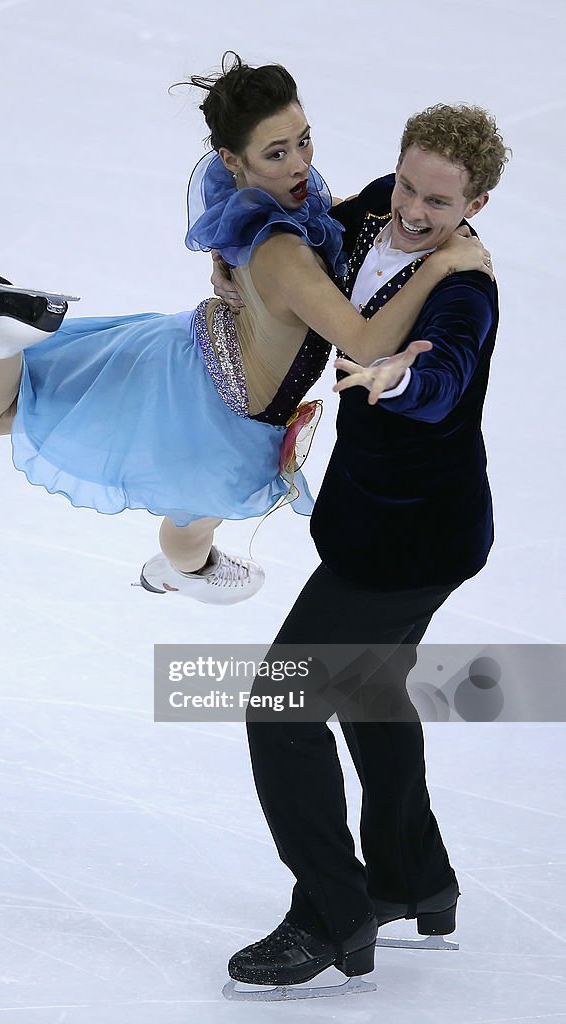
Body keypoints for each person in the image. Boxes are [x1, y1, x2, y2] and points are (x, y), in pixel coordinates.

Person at [0, 55, 490, 607]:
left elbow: (325, 218)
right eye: (277, 153)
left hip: (185, 347)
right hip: (221, 415)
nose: (301, 164)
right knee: (195, 519)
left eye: (304, 140)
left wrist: (227, 258)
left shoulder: (252, 194)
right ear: (237, 159)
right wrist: (440, 263)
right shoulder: (286, 253)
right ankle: (185, 572)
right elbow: (364, 344)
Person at [213, 103, 510, 986]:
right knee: (371, 689)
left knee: (281, 705)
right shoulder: (378, 206)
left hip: (409, 543)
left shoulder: (465, 291)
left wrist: (397, 372)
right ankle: (412, 877)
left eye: (440, 204)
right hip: (380, 520)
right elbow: (305, 250)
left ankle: (333, 916)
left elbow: (445, 368)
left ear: (478, 205)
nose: (415, 212)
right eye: (409, 187)